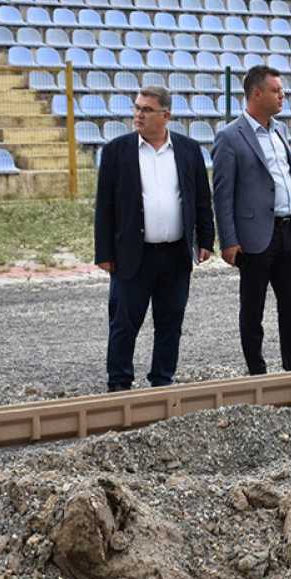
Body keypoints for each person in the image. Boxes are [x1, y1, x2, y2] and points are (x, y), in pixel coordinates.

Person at [94, 85, 215, 392]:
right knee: (124, 324)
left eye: (146, 110)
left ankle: (162, 383)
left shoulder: (188, 151)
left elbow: (201, 198)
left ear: (166, 115)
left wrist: (206, 239)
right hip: (132, 255)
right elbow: (104, 207)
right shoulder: (116, 151)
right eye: (136, 108)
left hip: (175, 254)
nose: (138, 115)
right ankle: (119, 385)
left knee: (170, 323)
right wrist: (104, 252)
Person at [212, 65, 291, 375]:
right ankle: (257, 371)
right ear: (256, 93)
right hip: (254, 237)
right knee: (253, 310)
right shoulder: (230, 136)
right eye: (276, 90)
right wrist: (228, 240)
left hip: (288, 230)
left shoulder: (280, 130)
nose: (282, 95)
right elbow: (222, 194)